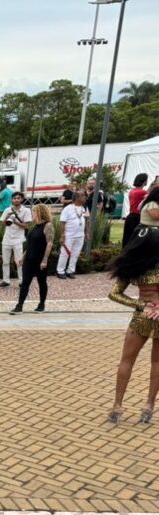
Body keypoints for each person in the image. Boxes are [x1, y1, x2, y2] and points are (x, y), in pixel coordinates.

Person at [106, 227, 159, 425]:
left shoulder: (134, 265)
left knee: (126, 361)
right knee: (157, 363)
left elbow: (114, 293)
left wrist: (140, 305)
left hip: (142, 316)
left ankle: (117, 405)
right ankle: (149, 406)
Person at [10, 203, 54, 315]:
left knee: (42, 282)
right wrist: (23, 257)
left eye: (33, 213)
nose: (32, 215)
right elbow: (30, 244)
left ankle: (41, 304)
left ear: (39, 213)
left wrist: (45, 260)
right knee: (25, 282)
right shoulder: (34, 227)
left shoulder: (48, 226)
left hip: (40, 260)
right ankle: (19, 306)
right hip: (29, 259)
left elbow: (49, 243)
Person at [0, 191, 32, 287]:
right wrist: (8, 217)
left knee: (19, 261)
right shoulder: (7, 210)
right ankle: (6, 280)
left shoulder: (26, 210)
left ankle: (21, 281)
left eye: (18, 198)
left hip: (18, 239)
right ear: (12, 199)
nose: (16, 200)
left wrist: (14, 221)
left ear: (22, 199)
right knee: (5, 261)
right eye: (14, 198)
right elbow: (2, 224)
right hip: (7, 238)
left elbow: (26, 226)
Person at [58, 191, 88, 279]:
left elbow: (87, 220)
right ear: (76, 198)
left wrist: (87, 232)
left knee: (75, 253)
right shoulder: (68, 208)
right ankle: (60, 271)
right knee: (65, 253)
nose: (85, 198)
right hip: (69, 235)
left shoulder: (85, 208)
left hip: (80, 235)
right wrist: (62, 235)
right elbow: (62, 222)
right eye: (83, 196)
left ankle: (70, 270)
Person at [124, 172, 150, 247]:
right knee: (136, 239)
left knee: (128, 239)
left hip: (131, 216)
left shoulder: (133, 191)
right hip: (137, 217)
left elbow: (145, 194)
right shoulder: (142, 192)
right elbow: (151, 195)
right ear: (144, 181)